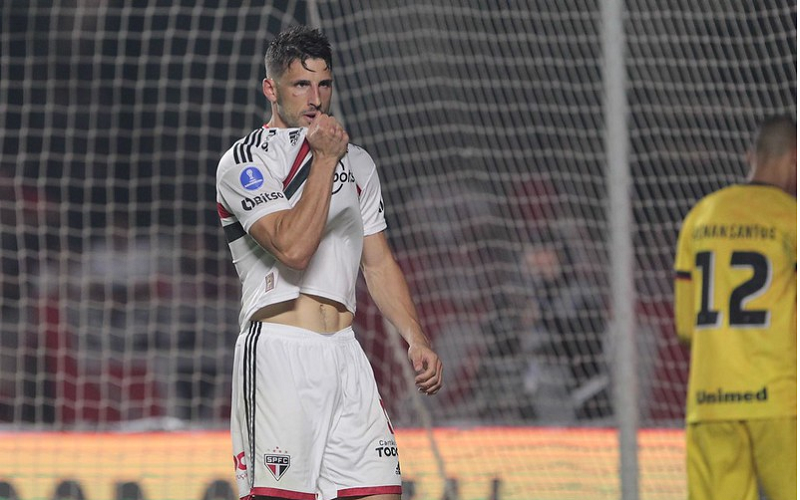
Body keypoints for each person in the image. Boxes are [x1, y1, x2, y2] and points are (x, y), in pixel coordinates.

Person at [215, 26, 443, 500]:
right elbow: (293, 250)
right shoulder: (245, 162)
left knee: (383, 492)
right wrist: (323, 160)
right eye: (301, 84)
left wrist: (415, 336)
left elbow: (377, 263)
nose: (316, 98)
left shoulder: (357, 163)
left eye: (324, 84)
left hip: (345, 353)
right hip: (280, 352)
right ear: (271, 89)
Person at [673, 115, 796, 500]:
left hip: (711, 400)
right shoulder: (791, 218)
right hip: (778, 399)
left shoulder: (701, 215)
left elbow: (685, 328)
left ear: (750, 157)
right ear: (793, 159)